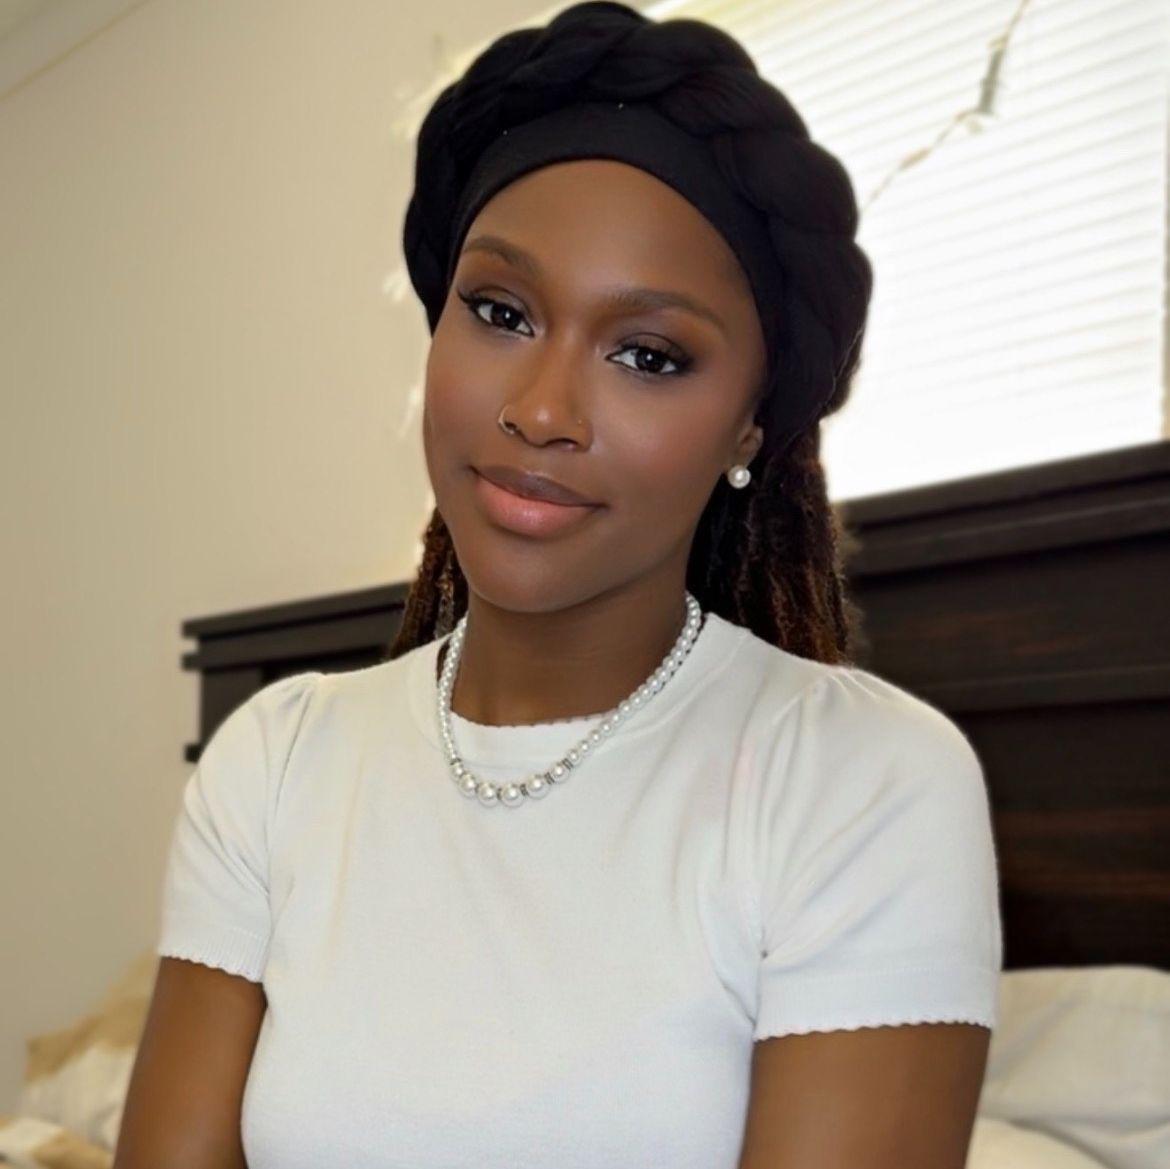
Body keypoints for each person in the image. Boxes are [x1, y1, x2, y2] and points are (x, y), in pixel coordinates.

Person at [114, 3, 1002, 1167]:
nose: (540, 410)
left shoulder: (858, 780)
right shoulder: (277, 760)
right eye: (501, 312)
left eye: (649, 354)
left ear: (748, 426)